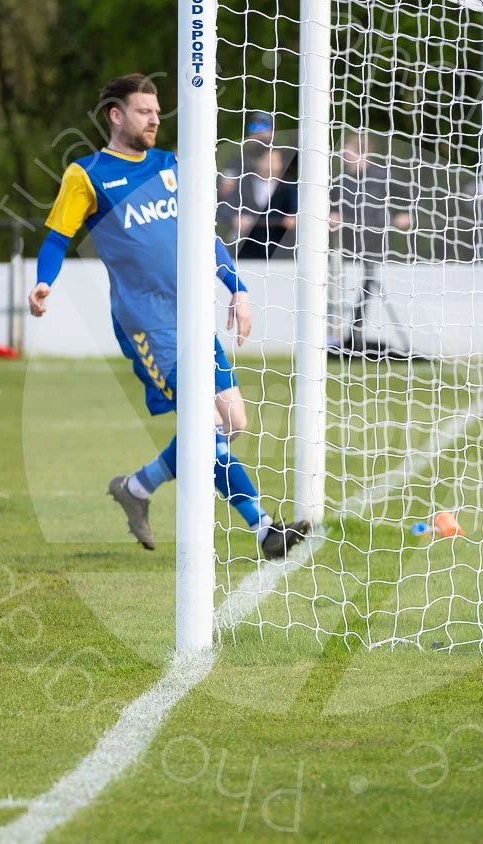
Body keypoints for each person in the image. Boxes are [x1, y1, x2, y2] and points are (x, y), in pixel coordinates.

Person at [27, 73, 309, 559]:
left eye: (157, 112)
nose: (155, 119)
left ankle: (136, 488)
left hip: (193, 315)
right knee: (208, 422)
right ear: (116, 116)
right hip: (148, 324)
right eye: (144, 111)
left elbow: (204, 235)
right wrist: (44, 279)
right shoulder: (88, 174)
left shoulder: (171, 166)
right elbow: (57, 238)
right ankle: (264, 528)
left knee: (233, 421)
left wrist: (237, 288)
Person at [330, 133, 415, 351]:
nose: (344, 158)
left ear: (362, 154)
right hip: (348, 244)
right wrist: (333, 216)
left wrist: (404, 214)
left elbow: (407, 197)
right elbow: (332, 208)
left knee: (369, 282)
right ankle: (348, 336)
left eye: (347, 153)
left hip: (377, 241)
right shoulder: (341, 182)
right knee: (346, 288)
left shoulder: (381, 176)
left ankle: (356, 335)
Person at [228, 146, 297, 259]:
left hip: (279, 252)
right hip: (246, 251)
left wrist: (292, 219)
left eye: (275, 161)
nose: (271, 165)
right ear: (256, 161)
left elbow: (295, 211)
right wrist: (234, 218)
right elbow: (227, 207)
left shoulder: (289, 187)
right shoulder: (242, 184)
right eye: (267, 160)